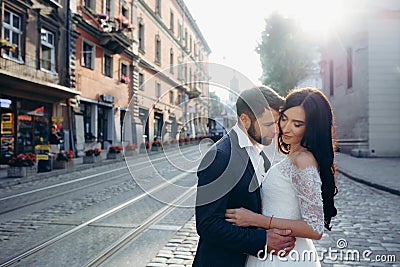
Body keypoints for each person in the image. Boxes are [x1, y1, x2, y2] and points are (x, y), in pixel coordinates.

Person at [225, 87, 338, 266]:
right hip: (272, 251)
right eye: (284, 118)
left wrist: (255, 219)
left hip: (285, 257)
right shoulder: (294, 156)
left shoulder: (303, 159)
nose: (285, 127)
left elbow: (315, 229)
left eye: (297, 124)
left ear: (311, 127)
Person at [194, 87, 295, 267]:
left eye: (277, 122)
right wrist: (262, 239)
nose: (276, 130)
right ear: (245, 120)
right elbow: (207, 224)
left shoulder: (261, 153)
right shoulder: (220, 156)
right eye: (267, 124)